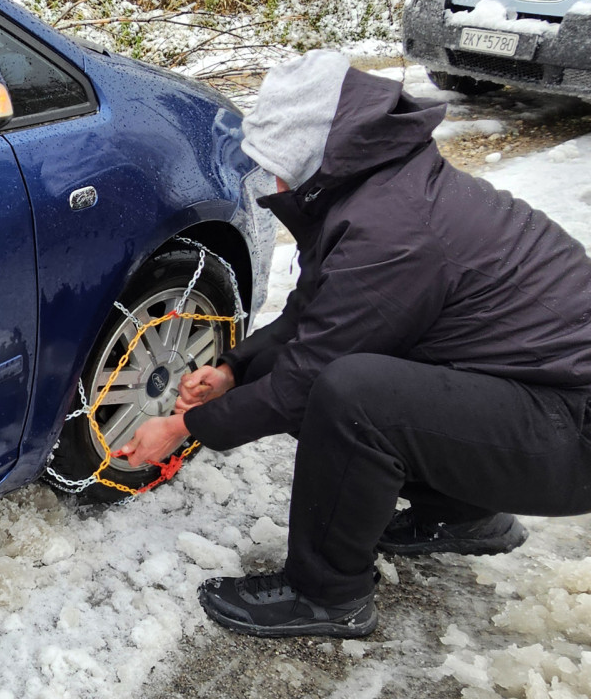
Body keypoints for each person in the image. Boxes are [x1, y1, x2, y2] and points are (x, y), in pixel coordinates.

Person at [116, 49, 591, 638]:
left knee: (351, 396)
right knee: (348, 376)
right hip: (537, 399)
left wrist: (188, 426)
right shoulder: (379, 188)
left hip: (571, 433)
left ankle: (326, 596)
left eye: (281, 166)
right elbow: (315, 317)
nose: (276, 183)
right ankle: (465, 514)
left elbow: (310, 376)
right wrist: (236, 370)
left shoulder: (392, 231)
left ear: (321, 154)